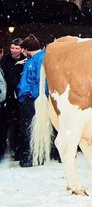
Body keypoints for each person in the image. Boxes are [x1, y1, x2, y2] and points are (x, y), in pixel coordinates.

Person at [16, 34, 45, 167]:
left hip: (32, 100)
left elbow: (42, 82)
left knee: (30, 129)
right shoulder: (32, 59)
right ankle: (30, 155)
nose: (22, 52)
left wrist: (29, 94)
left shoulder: (40, 59)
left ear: (28, 48)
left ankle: (33, 156)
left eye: (23, 49)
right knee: (26, 128)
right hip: (27, 99)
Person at [0, 38, 25, 161]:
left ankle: (18, 150)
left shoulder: (25, 61)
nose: (14, 50)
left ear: (21, 49)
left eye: (16, 48)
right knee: (5, 124)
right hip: (7, 98)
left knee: (19, 124)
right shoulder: (5, 61)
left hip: (20, 98)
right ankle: (6, 150)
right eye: (12, 48)